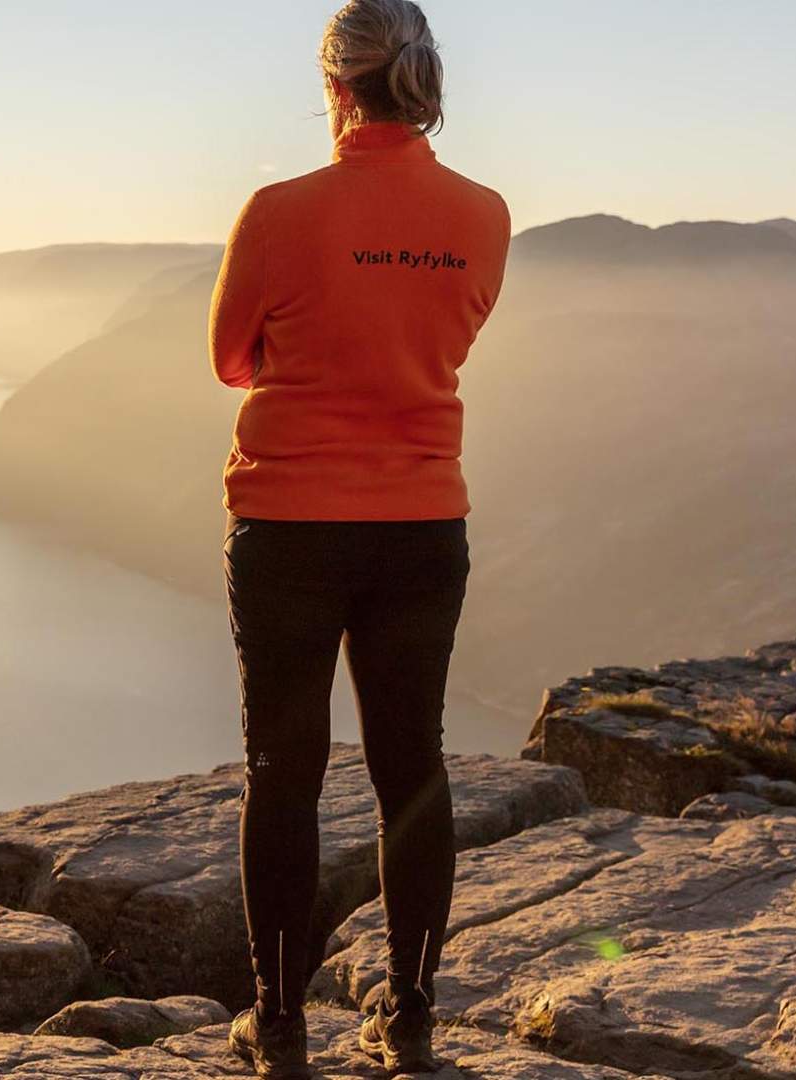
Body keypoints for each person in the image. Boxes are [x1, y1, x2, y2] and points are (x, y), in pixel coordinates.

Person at [207, 1, 511, 1075]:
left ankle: (280, 1025)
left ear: (334, 84)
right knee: (411, 765)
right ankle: (410, 1016)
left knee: (283, 771)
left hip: (289, 524)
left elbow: (230, 360)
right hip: (422, 523)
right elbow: (444, 340)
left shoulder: (278, 210)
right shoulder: (483, 215)